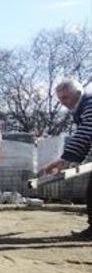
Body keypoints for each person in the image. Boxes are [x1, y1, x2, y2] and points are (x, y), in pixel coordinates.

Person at [41, 79, 91, 240]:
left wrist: (65, 159)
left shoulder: (89, 104)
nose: (62, 102)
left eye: (65, 98)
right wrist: (72, 160)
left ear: (77, 94)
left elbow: (86, 132)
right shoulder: (83, 107)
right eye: (60, 99)